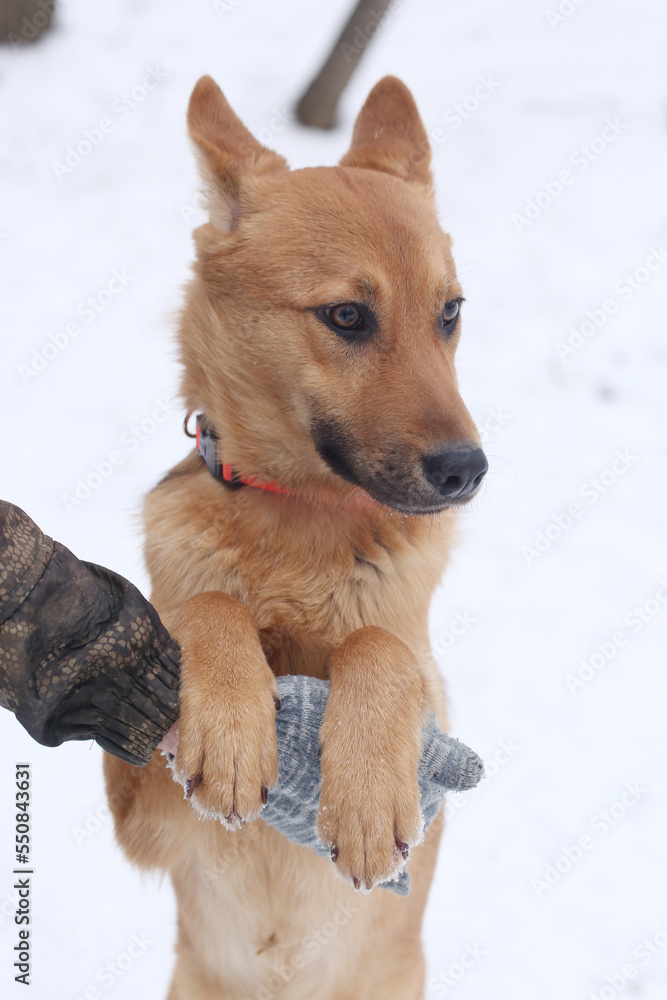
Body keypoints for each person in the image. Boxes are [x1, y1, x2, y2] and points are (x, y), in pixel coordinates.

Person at [0, 499, 483, 893]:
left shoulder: (404, 546)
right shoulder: (189, 542)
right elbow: (145, 834)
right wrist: (204, 636)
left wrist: (385, 680)